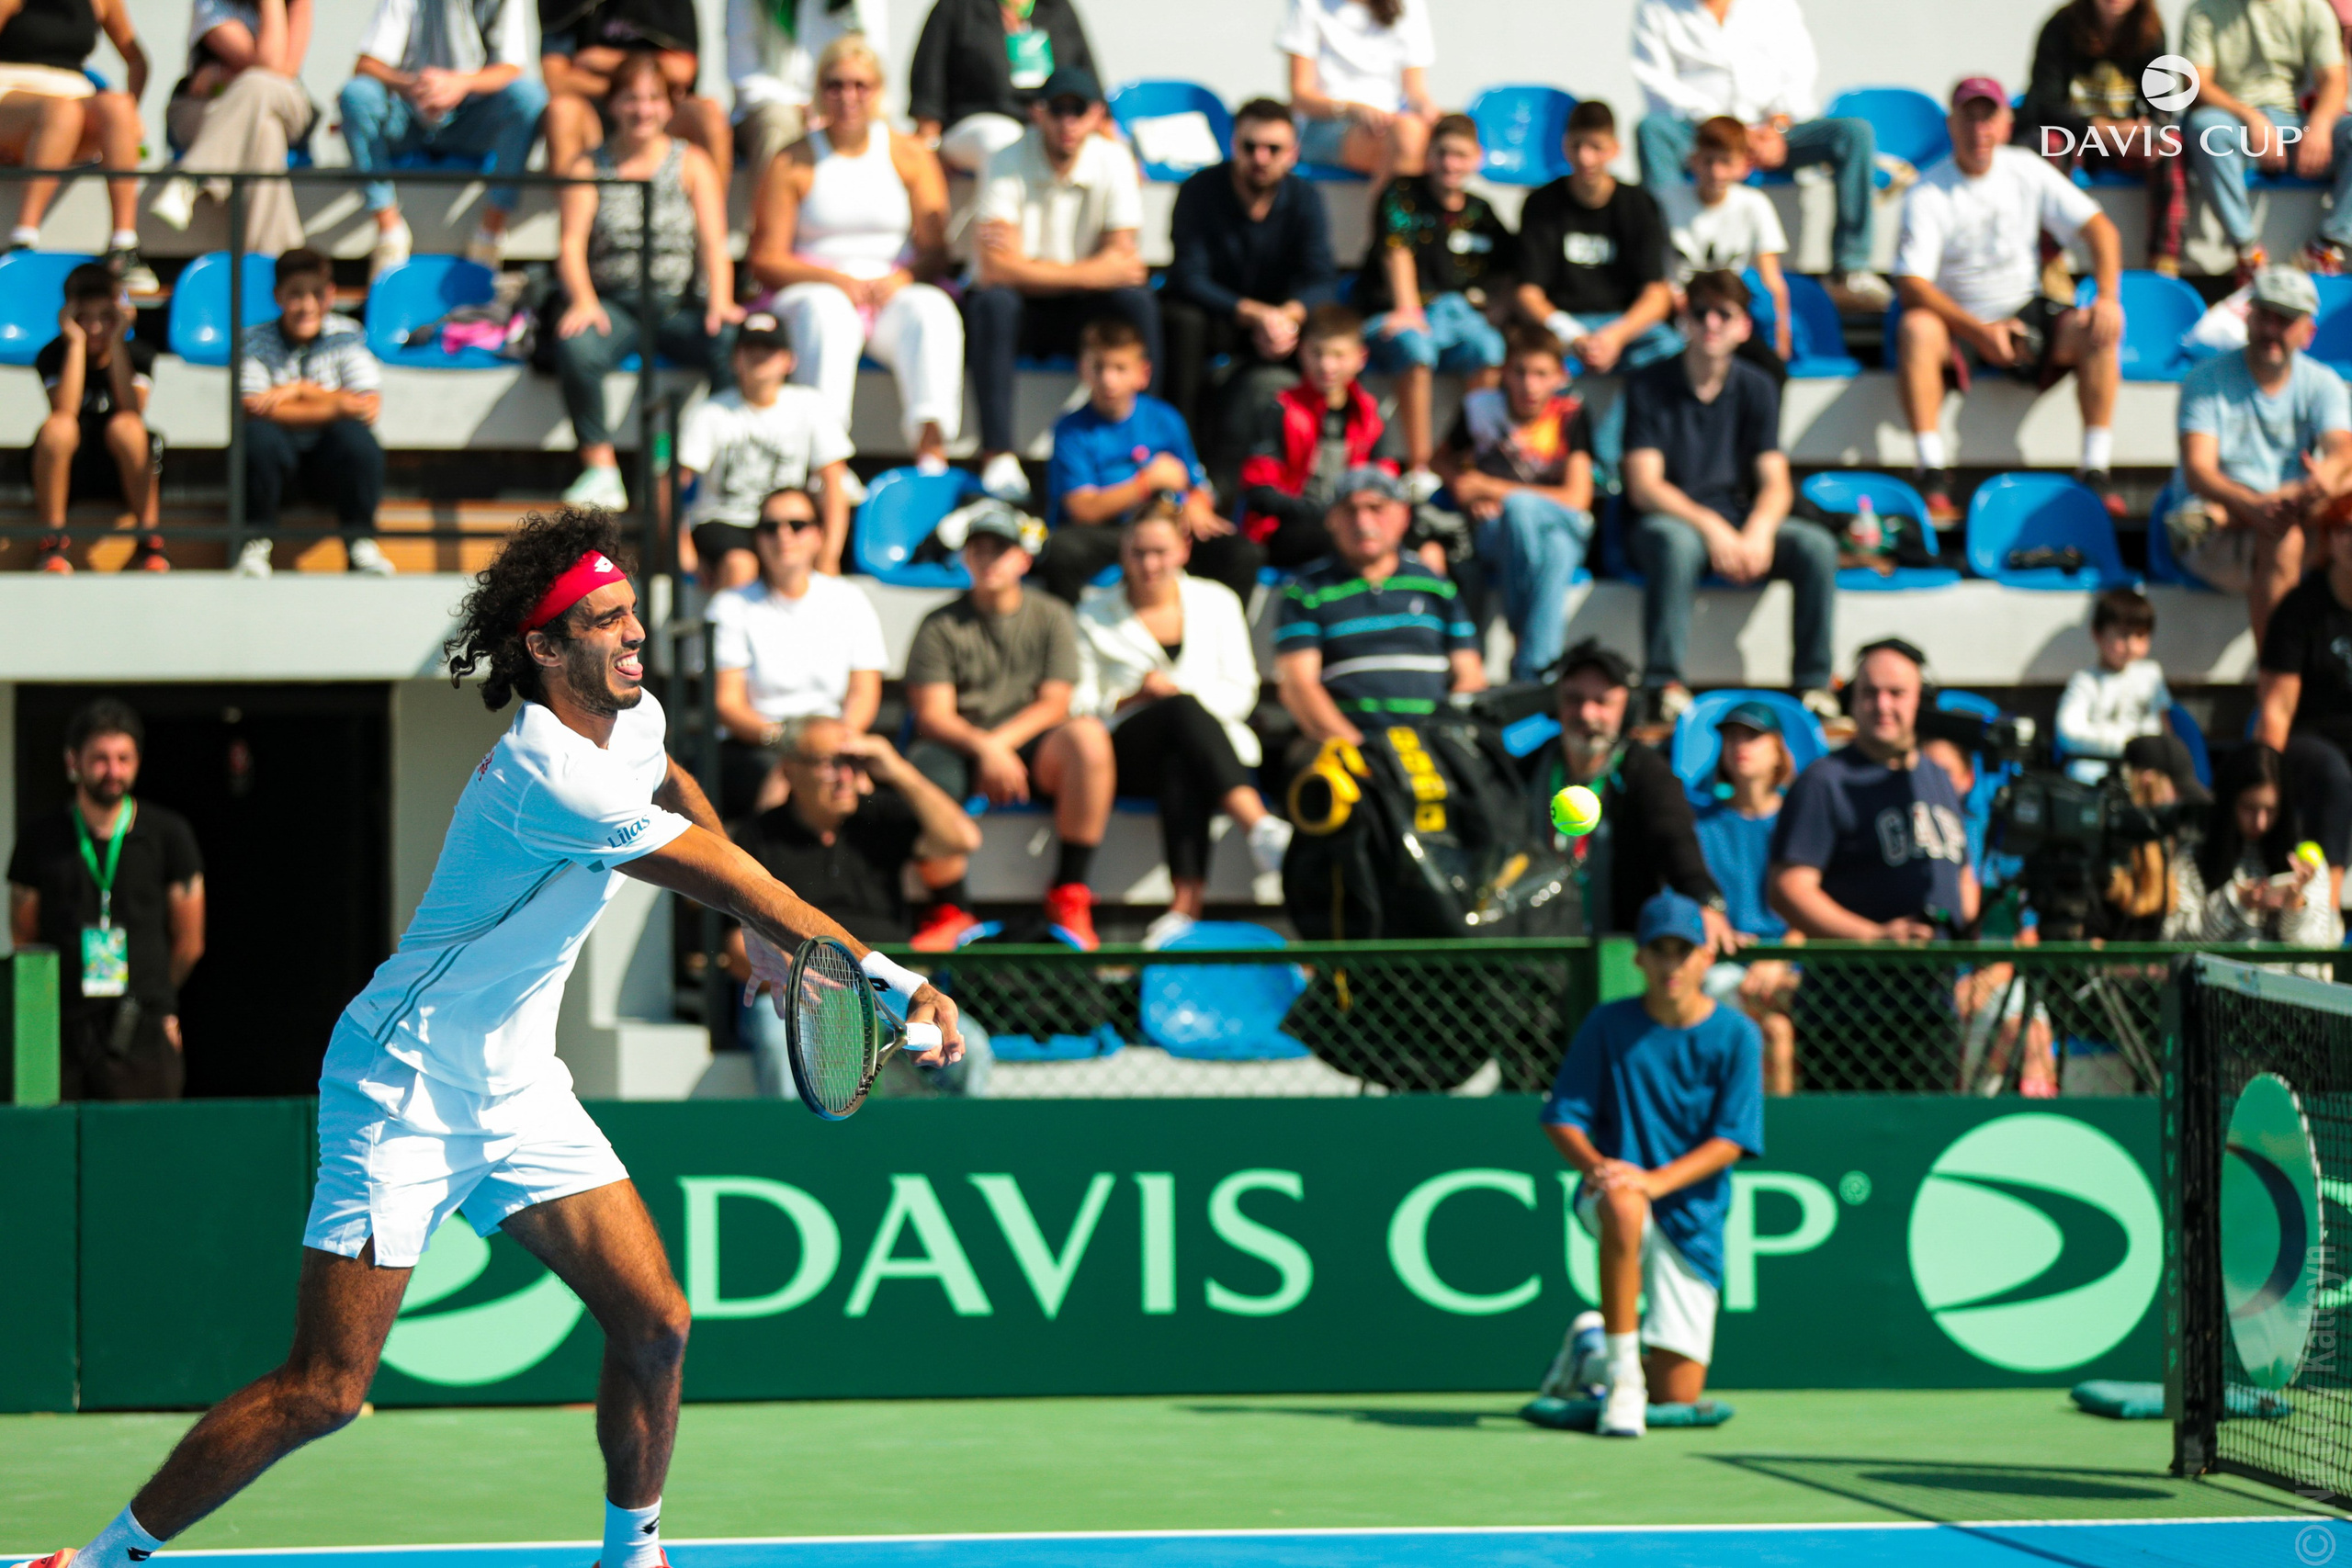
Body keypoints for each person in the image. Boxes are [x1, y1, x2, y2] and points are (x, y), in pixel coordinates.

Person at [10, 508, 962, 1568]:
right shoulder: (545, 776)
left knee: (656, 1326)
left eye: (632, 612)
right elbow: (722, 872)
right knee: (325, 1389)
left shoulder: (629, 720)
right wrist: (890, 977)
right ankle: (94, 1558)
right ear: (545, 650)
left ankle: (630, 1554)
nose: (633, 634)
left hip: (518, 1089)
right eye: (604, 621)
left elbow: (679, 794)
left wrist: (763, 940)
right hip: (402, 1085)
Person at [1540, 888, 1764, 1438]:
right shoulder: (1606, 1024)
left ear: (1707, 956)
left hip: (1694, 1220)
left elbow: (1730, 1141)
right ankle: (1621, 1382)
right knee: (1622, 1200)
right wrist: (1598, 1165)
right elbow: (1562, 1117)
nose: (1671, 963)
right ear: (1638, 958)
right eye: (1659, 950)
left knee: (1678, 1392)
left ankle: (1589, 1353)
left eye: (1683, 951)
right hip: (1616, 1195)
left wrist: (1653, 1180)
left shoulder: (1739, 1035)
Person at [1891, 77, 2125, 525]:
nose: (1979, 129)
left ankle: (2096, 469)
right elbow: (1913, 285)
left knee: (2101, 327)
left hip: (2025, 310)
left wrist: (2109, 298)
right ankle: (1931, 470)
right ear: (1951, 125)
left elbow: (2101, 231)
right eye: (1969, 118)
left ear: (2005, 122)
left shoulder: (2026, 168)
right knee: (1916, 328)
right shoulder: (1927, 190)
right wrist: (1979, 333)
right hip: (1957, 321)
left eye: (1988, 117)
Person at [723, 716, 984, 1096]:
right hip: (803, 996)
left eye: (853, 763)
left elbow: (962, 839)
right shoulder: (758, 837)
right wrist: (799, 974)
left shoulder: (878, 815)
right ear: (790, 769)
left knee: (971, 1050)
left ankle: (957, 1151)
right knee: (780, 1045)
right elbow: (734, 945)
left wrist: (896, 768)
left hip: (887, 990)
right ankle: (793, 1151)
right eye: (829, 762)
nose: (845, 775)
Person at [1623, 270, 1838, 723]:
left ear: (1743, 327)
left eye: (1725, 314)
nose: (1712, 323)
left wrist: (1758, 532)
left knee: (1815, 546)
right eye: (1701, 313)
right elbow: (1645, 487)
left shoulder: (1758, 385)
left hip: (1738, 524)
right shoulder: (1648, 384)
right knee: (1674, 543)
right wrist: (1713, 527)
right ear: (1685, 320)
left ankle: (1814, 685)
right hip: (1673, 524)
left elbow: (1775, 480)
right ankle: (1663, 685)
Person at [1074, 502, 1293, 943]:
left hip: (1198, 750)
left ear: (1183, 550)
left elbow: (1242, 689)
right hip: (1126, 750)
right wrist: (1137, 697)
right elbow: (1080, 706)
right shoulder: (1092, 612)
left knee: (1182, 746)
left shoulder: (1219, 601)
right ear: (1123, 553)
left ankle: (1183, 909)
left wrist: (1177, 696)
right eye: (1139, 553)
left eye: (1160, 552)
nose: (1150, 564)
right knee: (1178, 712)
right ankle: (1258, 825)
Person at [746, 33, 962, 473]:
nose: (848, 96)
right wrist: (836, 281)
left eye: (860, 85)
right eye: (836, 85)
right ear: (819, 91)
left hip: (890, 290)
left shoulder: (910, 154)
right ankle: (828, 464)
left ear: (878, 91)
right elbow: (765, 258)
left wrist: (901, 278)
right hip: (813, 290)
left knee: (933, 310)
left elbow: (936, 250)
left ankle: (931, 454)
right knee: (829, 315)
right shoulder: (793, 159)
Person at [1770, 639, 1978, 1090]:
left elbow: (1961, 872)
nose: (1881, 705)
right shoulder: (1826, 781)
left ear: (1921, 699)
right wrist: (1875, 938)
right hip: (1850, 1012)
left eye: (1896, 693)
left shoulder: (1937, 778)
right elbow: (1788, 888)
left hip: (1931, 1004)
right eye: (1869, 693)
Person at [902, 502, 1113, 948]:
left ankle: (1070, 893)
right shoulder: (939, 624)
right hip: (959, 744)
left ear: (1024, 558)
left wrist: (997, 747)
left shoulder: (1052, 615)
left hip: (1030, 745)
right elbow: (934, 714)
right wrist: (986, 749)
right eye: (978, 548)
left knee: (1091, 740)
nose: (988, 557)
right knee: (923, 773)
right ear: (964, 558)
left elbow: (1056, 702)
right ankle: (949, 905)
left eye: (1000, 548)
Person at [552, 49, 742, 512]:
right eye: (631, 98)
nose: (643, 109)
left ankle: (709, 456)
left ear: (669, 106)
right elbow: (571, 245)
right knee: (576, 347)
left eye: (654, 98)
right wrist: (583, 300)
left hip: (677, 303)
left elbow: (714, 244)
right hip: (615, 303)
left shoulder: (692, 162)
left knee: (733, 343)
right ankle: (600, 468)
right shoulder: (587, 167)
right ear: (613, 104)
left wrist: (720, 301)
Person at [962, 63, 1153, 506]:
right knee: (994, 303)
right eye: (1057, 109)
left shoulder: (1114, 159)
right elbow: (994, 271)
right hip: (1023, 308)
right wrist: (1090, 272)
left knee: (1137, 303)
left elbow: (1123, 263)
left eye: (1078, 110)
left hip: (1075, 309)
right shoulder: (1006, 158)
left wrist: (1026, 267)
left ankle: (1145, 440)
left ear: (1096, 116)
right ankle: (998, 454)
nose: (1067, 121)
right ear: (1038, 113)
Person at [1630, 0, 1887, 310]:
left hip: (1773, 132)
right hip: (1702, 135)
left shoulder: (1776, 5)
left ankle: (1850, 269)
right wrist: (1728, 131)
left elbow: (1799, 70)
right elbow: (1656, 83)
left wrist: (1777, 126)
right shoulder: (1657, 8)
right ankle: (1667, 265)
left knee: (1853, 133)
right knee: (1652, 130)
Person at [6, 699, 203, 1102]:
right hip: (60, 1029)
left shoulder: (169, 834)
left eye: (123, 758)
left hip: (143, 1028)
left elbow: (190, 940)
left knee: (144, 1151)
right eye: (100, 759)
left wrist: (159, 1001)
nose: (112, 771)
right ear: (73, 761)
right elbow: (24, 935)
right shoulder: (40, 838)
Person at [1159, 98, 1340, 487]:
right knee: (1181, 322)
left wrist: (1288, 318)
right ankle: (1181, 456)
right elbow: (1188, 277)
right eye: (1249, 146)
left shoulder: (1305, 199)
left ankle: (1318, 461)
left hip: (1280, 326)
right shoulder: (1198, 191)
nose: (1260, 158)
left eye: (1273, 149)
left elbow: (1322, 278)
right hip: (1215, 317)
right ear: (1232, 145)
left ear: (1292, 154)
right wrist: (1259, 314)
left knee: (1329, 330)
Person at [2170, 265, 2352, 642]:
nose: (2271, 328)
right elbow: (2199, 472)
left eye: (2284, 319)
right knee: (2286, 533)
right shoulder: (2205, 381)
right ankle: (2280, 683)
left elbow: (2341, 451)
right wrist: (2265, 505)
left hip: (2239, 515)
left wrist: (2324, 477)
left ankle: (2289, 682)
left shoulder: (2324, 383)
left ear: (2308, 332)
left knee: (2334, 488)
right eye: (2264, 315)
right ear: (2248, 316)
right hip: (2219, 542)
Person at [1522, 638, 1736, 943]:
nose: (1586, 713)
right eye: (1574, 699)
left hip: (1623, 948)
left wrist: (1705, 900)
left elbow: (1675, 842)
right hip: (1537, 947)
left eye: (1602, 701)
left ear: (1628, 709)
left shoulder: (1647, 772)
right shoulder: (1525, 770)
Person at [1040, 314, 1262, 604]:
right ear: (1083, 370)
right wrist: (1145, 484)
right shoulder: (1071, 430)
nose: (1108, 379)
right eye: (1099, 367)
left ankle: (1219, 641)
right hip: (1110, 532)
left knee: (1242, 553)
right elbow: (1083, 508)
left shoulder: (1164, 418)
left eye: (1120, 368)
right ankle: (1070, 642)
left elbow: (1197, 485)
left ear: (1143, 373)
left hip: (1168, 524)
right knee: (1061, 550)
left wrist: (1196, 505)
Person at [1273, 467, 1485, 750]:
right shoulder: (1306, 591)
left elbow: (1470, 676)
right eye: (1350, 510)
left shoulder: (1435, 585)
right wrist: (1364, 753)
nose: (1363, 521)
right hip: (1352, 752)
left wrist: (1448, 741)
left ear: (1403, 515)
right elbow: (1297, 687)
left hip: (1436, 747)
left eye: (1376, 508)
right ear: (1331, 519)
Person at [707, 485, 887, 818]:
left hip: (836, 741)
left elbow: (865, 690)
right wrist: (792, 746)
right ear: (757, 539)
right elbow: (727, 704)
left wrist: (834, 745)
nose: (783, 535)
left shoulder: (849, 599)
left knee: (877, 799)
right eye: (770, 527)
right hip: (758, 745)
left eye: (797, 525)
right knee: (779, 790)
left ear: (819, 535)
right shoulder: (730, 606)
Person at [1431, 323, 1594, 682]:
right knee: (1555, 554)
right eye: (1520, 372)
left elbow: (1577, 499)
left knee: (1525, 513)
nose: (1529, 385)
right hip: (1500, 534)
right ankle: (1535, 672)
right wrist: (1460, 483)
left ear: (1560, 377)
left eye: (1541, 374)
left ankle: (1521, 638)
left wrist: (1487, 487)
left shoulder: (1571, 415)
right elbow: (1439, 460)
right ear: (1504, 372)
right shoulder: (1479, 408)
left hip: (1559, 521)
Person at [339, 0, 549, 277]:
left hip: (473, 121)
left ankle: (490, 233)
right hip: (409, 120)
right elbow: (367, 64)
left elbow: (511, 68)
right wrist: (415, 85)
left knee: (529, 96)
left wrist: (460, 84)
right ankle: (389, 231)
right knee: (357, 94)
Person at [1359, 112, 1512, 486]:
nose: (1450, 163)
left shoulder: (1481, 212)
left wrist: (1498, 308)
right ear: (1428, 154)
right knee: (1417, 348)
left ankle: (1474, 458)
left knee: (1490, 347)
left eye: (1460, 155)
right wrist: (1408, 309)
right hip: (1394, 313)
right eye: (1442, 153)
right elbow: (1396, 251)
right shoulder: (1402, 194)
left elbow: (1510, 268)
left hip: (1457, 317)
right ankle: (1420, 467)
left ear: (1476, 158)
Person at [233, 247, 390, 580]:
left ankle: (359, 541)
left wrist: (298, 391)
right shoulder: (253, 339)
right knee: (257, 438)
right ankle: (255, 541)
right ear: (277, 296)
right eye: (295, 295)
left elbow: (366, 407)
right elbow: (251, 408)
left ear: (331, 294)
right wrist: (337, 403)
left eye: (316, 294)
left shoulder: (346, 334)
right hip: (278, 470)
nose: (306, 306)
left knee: (357, 440)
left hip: (329, 470)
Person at [675, 311, 854, 586]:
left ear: (789, 360)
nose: (759, 356)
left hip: (787, 519)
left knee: (795, 559)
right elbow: (671, 482)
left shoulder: (811, 406)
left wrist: (829, 553)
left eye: (769, 349)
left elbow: (834, 481)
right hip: (725, 520)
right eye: (750, 349)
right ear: (735, 359)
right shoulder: (710, 413)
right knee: (741, 565)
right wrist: (683, 550)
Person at [2179, 0, 2352, 275]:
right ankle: (2248, 251)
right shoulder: (2205, 9)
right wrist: (2252, 118)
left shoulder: (2311, 7)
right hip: (2231, 123)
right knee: (2205, 128)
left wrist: (2319, 126)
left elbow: (2334, 79)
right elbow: (2196, 84)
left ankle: (2327, 247)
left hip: (2294, 123)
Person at [2017, 0, 2186, 276]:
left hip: (2123, 142)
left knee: (2170, 144)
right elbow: (2044, 106)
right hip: (2077, 137)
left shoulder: (2149, 28)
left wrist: (2151, 131)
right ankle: (2051, 263)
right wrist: (2100, 129)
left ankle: (2164, 261)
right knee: (2051, 143)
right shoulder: (2060, 26)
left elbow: (2162, 105)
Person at [1515, 100, 1679, 380]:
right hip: (1564, 329)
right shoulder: (1540, 204)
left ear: (1615, 149)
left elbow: (1657, 294)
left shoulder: (1638, 204)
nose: (1585, 158)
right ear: (1565, 145)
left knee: (1669, 346)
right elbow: (1528, 294)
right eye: (1577, 146)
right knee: (1533, 357)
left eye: (1596, 147)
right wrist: (1575, 336)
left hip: (1621, 328)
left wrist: (1615, 336)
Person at [1239, 303, 1404, 570]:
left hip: (1355, 523)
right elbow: (1260, 489)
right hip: (1293, 528)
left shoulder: (1370, 415)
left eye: (1339, 355)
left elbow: (1385, 482)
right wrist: (1323, 513)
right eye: (1317, 353)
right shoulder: (1281, 409)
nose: (1327, 365)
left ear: (1360, 357)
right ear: (1302, 352)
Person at [1690, 701, 1800, 1094]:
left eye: (1753, 736)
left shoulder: (1803, 821)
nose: (1740, 745)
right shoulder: (1699, 827)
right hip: (1723, 964)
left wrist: (1779, 957)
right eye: (1731, 736)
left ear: (1778, 750)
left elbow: (1815, 906)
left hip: (1797, 964)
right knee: (1771, 1029)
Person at [0, 0, 150, 283]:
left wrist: (134, 116)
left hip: (72, 97)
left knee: (118, 108)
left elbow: (136, 59)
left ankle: (124, 246)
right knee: (62, 111)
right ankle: (23, 239)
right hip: (11, 95)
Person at [151, 0, 314, 257]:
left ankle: (192, 177)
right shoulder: (211, 3)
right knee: (265, 132)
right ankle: (276, 259)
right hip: (207, 111)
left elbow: (278, 71)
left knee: (256, 84)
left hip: (284, 104)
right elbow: (267, 64)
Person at [30, 262, 162, 574]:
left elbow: (133, 408)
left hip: (123, 469)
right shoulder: (52, 355)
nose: (95, 328)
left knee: (126, 425)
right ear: (68, 318)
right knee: (58, 428)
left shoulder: (139, 354)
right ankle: (53, 543)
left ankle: (150, 541)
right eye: (84, 319)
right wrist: (75, 344)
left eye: (105, 317)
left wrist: (117, 342)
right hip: (71, 470)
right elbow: (64, 410)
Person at [539, 0, 732, 197]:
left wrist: (605, 61)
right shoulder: (562, 6)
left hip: (660, 123)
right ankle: (575, 219)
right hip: (596, 121)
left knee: (708, 112)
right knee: (562, 111)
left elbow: (683, 69)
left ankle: (713, 221)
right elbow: (555, 80)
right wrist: (631, 92)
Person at [2255, 506, 2352, 891]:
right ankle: (2324, 914)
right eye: (2344, 529)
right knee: (2335, 776)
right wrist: (2266, 780)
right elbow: (2276, 709)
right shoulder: (2300, 608)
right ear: (2329, 538)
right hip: (2310, 742)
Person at [1656, 117, 1791, 383]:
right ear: (1694, 160)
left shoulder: (1755, 205)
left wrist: (1782, 337)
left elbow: (1772, 279)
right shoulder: (1664, 201)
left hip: (1726, 319)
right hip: (1675, 315)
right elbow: (1650, 269)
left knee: (1772, 369)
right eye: (1708, 161)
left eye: (1726, 162)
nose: (1716, 172)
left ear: (1744, 165)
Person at [2165, 742, 2343, 944]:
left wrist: (2295, 904)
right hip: (2216, 976)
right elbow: (2176, 943)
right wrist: (2235, 901)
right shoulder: (2194, 860)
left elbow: (2319, 949)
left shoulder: (2305, 865)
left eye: (2270, 810)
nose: (2260, 822)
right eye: (2249, 808)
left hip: (2285, 975)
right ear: (2228, 802)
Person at [908, 0, 1099, 179]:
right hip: (973, 126)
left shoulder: (1057, 8)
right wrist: (928, 155)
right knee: (1004, 141)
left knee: (1103, 152)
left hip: (1050, 123)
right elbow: (927, 93)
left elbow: (1091, 89)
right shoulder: (958, 7)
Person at [1277, 0, 1438, 210]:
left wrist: (1434, 116)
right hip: (1326, 125)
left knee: (1439, 141)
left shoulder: (1410, 5)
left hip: (1393, 126)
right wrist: (1353, 109)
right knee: (1410, 138)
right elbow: (1300, 96)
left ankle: (1391, 235)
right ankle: (1391, 235)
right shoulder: (1309, 4)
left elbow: (1416, 93)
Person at [725, 0, 889, 185]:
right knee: (777, 123)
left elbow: (873, 64)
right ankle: (774, 208)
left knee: (868, 126)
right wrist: (805, 105)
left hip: (835, 101)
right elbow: (745, 77)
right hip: (771, 106)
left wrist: (830, 105)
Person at [2056, 586, 2192, 781]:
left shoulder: (2151, 675)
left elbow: (2164, 728)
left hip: (2145, 771)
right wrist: (2127, 744)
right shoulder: (2084, 682)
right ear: (2098, 634)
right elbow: (2069, 733)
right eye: (2122, 635)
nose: (2131, 646)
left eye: (2140, 635)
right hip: (2095, 770)